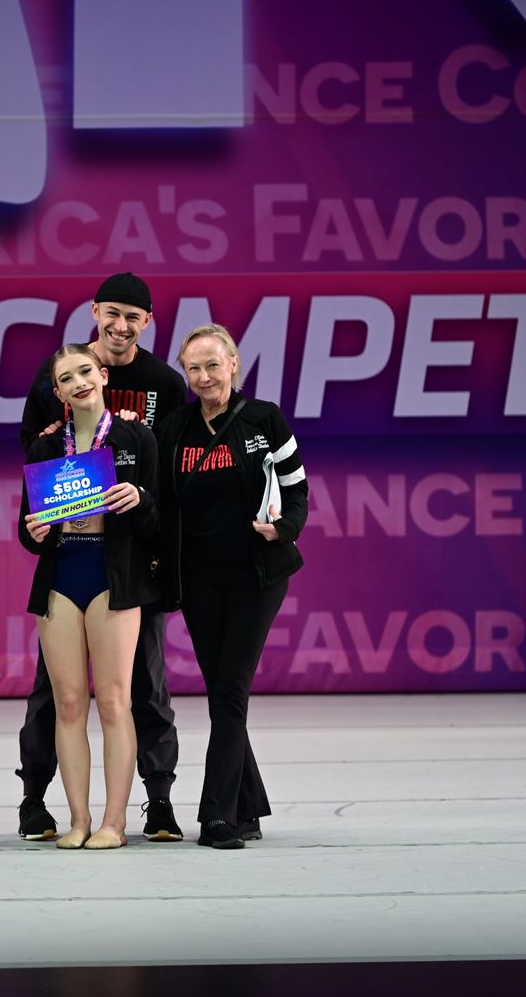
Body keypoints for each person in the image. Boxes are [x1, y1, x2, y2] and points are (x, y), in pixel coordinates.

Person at [16, 272, 186, 842]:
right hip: (61, 579)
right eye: (66, 378)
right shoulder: (45, 447)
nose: (79, 382)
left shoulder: (137, 439)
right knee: (66, 702)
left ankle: (116, 820)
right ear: (56, 392)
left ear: (103, 376)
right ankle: (78, 819)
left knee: (117, 700)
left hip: (119, 581)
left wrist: (140, 500)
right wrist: (36, 530)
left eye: (85, 373)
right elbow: (27, 531)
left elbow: (158, 518)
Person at [155, 324, 307, 849]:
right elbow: (160, 496)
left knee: (230, 690)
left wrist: (283, 529)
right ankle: (248, 804)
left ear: (234, 364)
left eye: (213, 365)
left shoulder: (264, 418)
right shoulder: (175, 429)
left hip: (255, 576)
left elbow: (297, 489)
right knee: (223, 690)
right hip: (198, 579)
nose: (204, 377)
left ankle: (217, 815)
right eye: (193, 368)